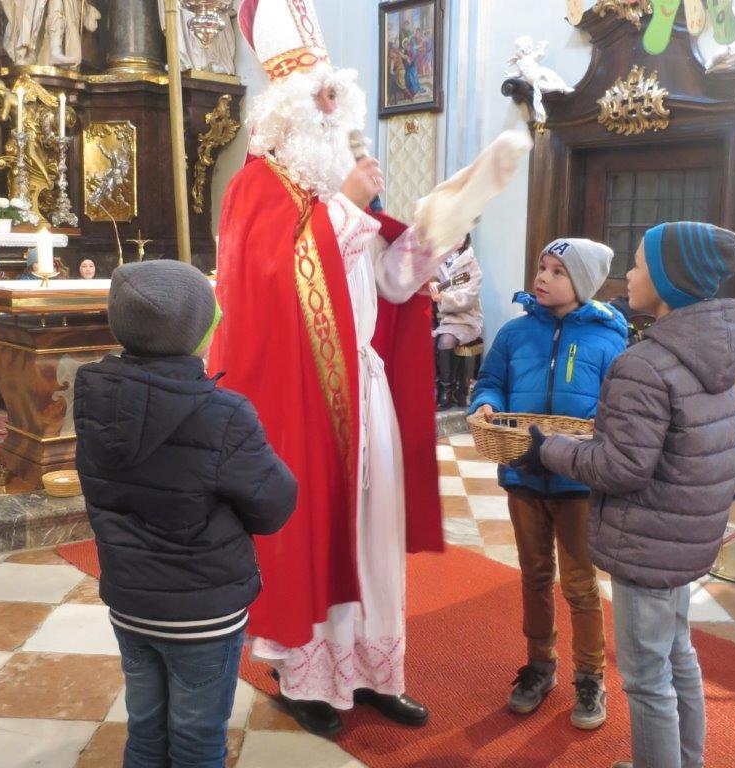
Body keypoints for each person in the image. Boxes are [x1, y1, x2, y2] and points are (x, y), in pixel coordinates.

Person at [209, 0, 513, 736]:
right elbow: (268, 284)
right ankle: (310, 679)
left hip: (364, 391)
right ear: (284, 111)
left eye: (335, 97)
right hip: (301, 401)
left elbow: (393, 286)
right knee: (315, 535)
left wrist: (447, 217)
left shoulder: (338, 195)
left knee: (373, 541)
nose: (330, 110)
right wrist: (346, 207)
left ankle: (378, 673)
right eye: (318, 99)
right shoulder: (258, 188)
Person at [513, 222, 735, 768]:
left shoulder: (644, 362)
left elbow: (620, 468)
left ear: (668, 279)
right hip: (685, 531)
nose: (630, 274)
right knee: (678, 655)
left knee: (646, 679)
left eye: (640, 264)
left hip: (648, 538)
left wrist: (548, 449)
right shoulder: (711, 348)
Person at [74, 261, 297, 768]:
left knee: (146, 732)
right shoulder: (224, 414)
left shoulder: (94, 399)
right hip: (203, 611)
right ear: (199, 332)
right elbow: (274, 506)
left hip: (130, 601)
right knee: (198, 743)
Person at [469, 238, 626, 730]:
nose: (542, 277)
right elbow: (490, 381)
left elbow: (619, 403)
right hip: (523, 470)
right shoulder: (514, 333)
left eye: (558, 271)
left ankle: (590, 675)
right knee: (535, 574)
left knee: (580, 582)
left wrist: (602, 424)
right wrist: (486, 404)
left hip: (577, 479)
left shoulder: (609, 340)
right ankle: (540, 666)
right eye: (542, 266)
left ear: (582, 283)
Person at [431, 233, 484, 409]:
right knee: (426, 341)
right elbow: (428, 281)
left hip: (466, 320)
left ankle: (447, 391)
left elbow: (469, 297)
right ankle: (433, 387)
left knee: (445, 342)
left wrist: (443, 298)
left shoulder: (471, 264)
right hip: (444, 320)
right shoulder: (439, 260)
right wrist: (431, 285)